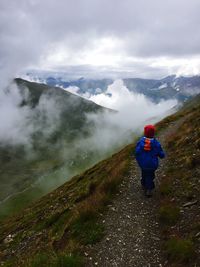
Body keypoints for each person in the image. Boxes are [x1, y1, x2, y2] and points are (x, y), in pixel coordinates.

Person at [135, 124, 165, 197]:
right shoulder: (156, 144)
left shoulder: (140, 142)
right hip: (152, 165)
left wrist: (139, 159)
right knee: (150, 175)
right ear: (153, 133)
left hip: (143, 164)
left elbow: (137, 152)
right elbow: (161, 154)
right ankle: (149, 189)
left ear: (145, 133)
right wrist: (162, 155)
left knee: (144, 173)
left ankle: (143, 183)